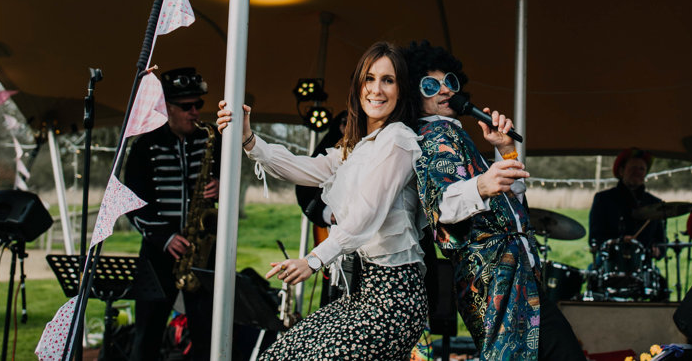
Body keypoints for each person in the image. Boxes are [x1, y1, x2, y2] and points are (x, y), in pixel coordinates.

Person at [218, 42, 428, 361]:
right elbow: (306, 167)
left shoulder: (398, 140)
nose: (377, 89)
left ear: (401, 89)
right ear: (358, 86)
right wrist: (249, 140)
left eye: (388, 80)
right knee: (278, 355)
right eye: (369, 79)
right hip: (360, 291)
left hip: (394, 298)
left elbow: (364, 217)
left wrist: (312, 260)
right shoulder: (358, 147)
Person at [404, 40, 585, 361]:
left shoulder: (454, 133)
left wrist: (505, 150)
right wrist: (482, 186)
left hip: (514, 276)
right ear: (413, 94)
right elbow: (441, 207)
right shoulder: (432, 136)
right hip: (494, 280)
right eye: (430, 85)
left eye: (450, 82)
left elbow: (511, 205)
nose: (445, 90)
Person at [123, 67, 219, 361]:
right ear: (167, 108)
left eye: (198, 105)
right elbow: (131, 200)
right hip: (157, 252)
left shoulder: (212, 138)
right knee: (147, 334)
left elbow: (233, 180)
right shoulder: (144, 145)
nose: (195, 112)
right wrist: (163, 236)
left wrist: (221, 186)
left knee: (208, 334)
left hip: (201, 251)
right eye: (186, 106)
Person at [294, 110, 350, 306]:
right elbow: (303, 186)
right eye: (343, 123)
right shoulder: (328, 150)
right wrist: (329, 215)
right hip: (332, 241)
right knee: (332, 297)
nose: (347, 128)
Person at [589, 148, 666, 256]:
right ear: (621, 171)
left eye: (642, 169)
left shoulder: (654, 203)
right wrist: (619, 242)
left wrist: (658, 250)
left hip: (643, 265)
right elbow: (594, 239)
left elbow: (661, 242)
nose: (637, 172)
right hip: (610, 262)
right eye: (633, 168)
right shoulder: (603, 199)